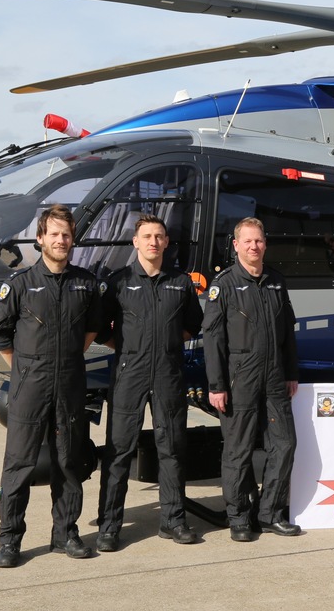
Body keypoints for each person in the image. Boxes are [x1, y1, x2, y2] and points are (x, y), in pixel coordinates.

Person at [0, 204, 102, 568]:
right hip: (29, 387)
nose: (60, 240)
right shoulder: (20, 284)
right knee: (19, 464)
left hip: (69, 384)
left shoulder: (86, 284)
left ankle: (65, 534)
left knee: (68, 461)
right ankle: (10, 540)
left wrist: (65, 360)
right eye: (54, 234)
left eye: (66, 234)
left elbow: (92, 329)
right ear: (40, 239)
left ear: (73, 239)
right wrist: (24, 367)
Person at [95, 214, 204, 553]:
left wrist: (165, 347)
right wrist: (129, 350)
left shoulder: (181, 283)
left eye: (159, 236)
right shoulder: (119, 282)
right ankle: (109, 526)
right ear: (136, 242)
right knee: (118, 451)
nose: (153, 242)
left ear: (166, 242)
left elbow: (193, 325)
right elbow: (100, 330)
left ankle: (173, 520)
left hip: (168, 374)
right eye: (147, 236)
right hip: (130, 374)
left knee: (171, 448)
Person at [202, 217, 303, 542]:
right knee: (238, 451)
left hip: (274, 377)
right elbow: (213, 339)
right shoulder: (225, 284)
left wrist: (291, 373)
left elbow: (288, 332)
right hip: (239, 379)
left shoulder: (276, 281)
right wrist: (217, 385)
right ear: (236, 245)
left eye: (258, 240)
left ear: (265, 244)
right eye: (247, 241)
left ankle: (270, 513)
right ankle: (239, 518)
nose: (253, 246)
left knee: (285, 444)